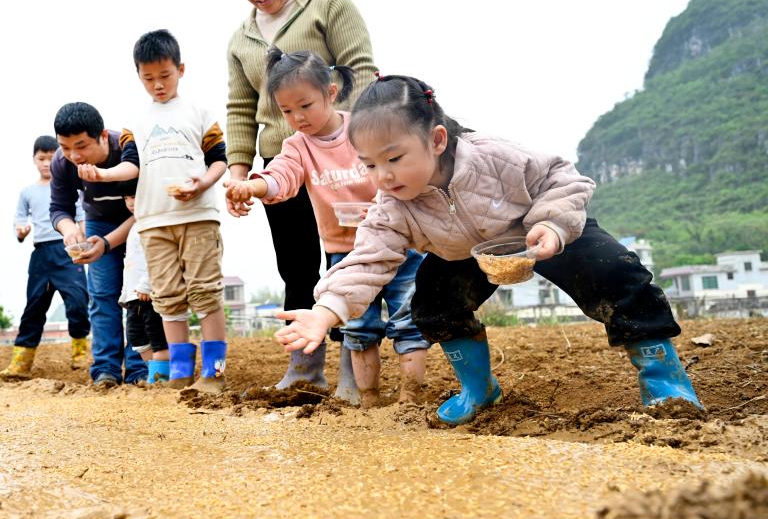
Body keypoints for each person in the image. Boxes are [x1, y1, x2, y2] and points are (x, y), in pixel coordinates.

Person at [275, 73, 703, 424]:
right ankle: (479, 390)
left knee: (615, 271)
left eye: (394, 158)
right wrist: (325, 310)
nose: (383, 177)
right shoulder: (393, 206)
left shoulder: (494, 157)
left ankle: (663, 380)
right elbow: (367, 261)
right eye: (368, 165)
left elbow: (562, 179)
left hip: (540, 232)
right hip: (465, 253)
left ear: (437, 139)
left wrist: (551, 225)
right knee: (433, 305)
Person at [224, 50, 429, 407]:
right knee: (357, 328)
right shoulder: (297, 146)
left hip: (396, 245)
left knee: (407, 319)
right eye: (286, 111)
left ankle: (410, 398)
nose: (297, 118)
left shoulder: (362, 128)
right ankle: (365, 398)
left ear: (331, 93)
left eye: (305, 105)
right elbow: (280, 177)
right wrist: (252, 187)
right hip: (344, 253)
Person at [223, 0, 377, 390]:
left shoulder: (327, 3)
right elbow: (240, 108)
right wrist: (237, 175)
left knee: (350, 263)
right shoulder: (241, 40)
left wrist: (364, 146)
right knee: (296, 268)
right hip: (283, 163)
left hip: (342, 161)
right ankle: (305, 368)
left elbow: (362, 69)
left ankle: (355, 369)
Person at [81, 30, 229, 393]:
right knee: (166, 298)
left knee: (205, 294)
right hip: (153, 222)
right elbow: (131, 166)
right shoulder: (136, 122)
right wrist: (101, 173)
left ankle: (214, 374)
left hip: (197, 216)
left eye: (165, 76)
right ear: (139, 76)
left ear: (180, 69)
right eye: (149, 78)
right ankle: (180, 374)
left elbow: (220, 161)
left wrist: (201, 184)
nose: (158, 85)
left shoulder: (199, 113)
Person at [50, 102, 147, 388]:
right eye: (65, 147)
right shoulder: (62, 163)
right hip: (98, 223)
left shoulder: (129, 150)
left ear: (103, 136)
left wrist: (107, 243)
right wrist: (69, 230)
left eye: (81, 146)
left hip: (139, 223)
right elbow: (59, 208)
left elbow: (143, 211)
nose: (73, 155)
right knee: (102, 295)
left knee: (139, 295)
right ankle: (105, 369)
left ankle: (140, 368)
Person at [0, 135, 92, 381]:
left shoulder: (68, 186)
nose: (46, 164)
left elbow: (82, 214)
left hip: (67, 251)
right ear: (34, 160)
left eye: (51, 159)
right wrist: (21, 231)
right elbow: (19, 220)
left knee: (78, 301)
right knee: (34, 307)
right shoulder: (28, 192)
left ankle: (80, 355)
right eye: (41, 159)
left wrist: (84, 241)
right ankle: (21, 363)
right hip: (41, 253)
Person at [120, 194, 169, 383]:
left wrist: (147, 285)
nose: (131, 202)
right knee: (136, 336)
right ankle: (157, 373)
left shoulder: (152, 224)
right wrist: (126, 292)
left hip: (150, 294)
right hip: (133, 295)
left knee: (157, 337)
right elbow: (131, 263)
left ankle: (161, 379)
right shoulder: (134, 225)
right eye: (126, 198)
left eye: (135, 196)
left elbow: (157, 256)